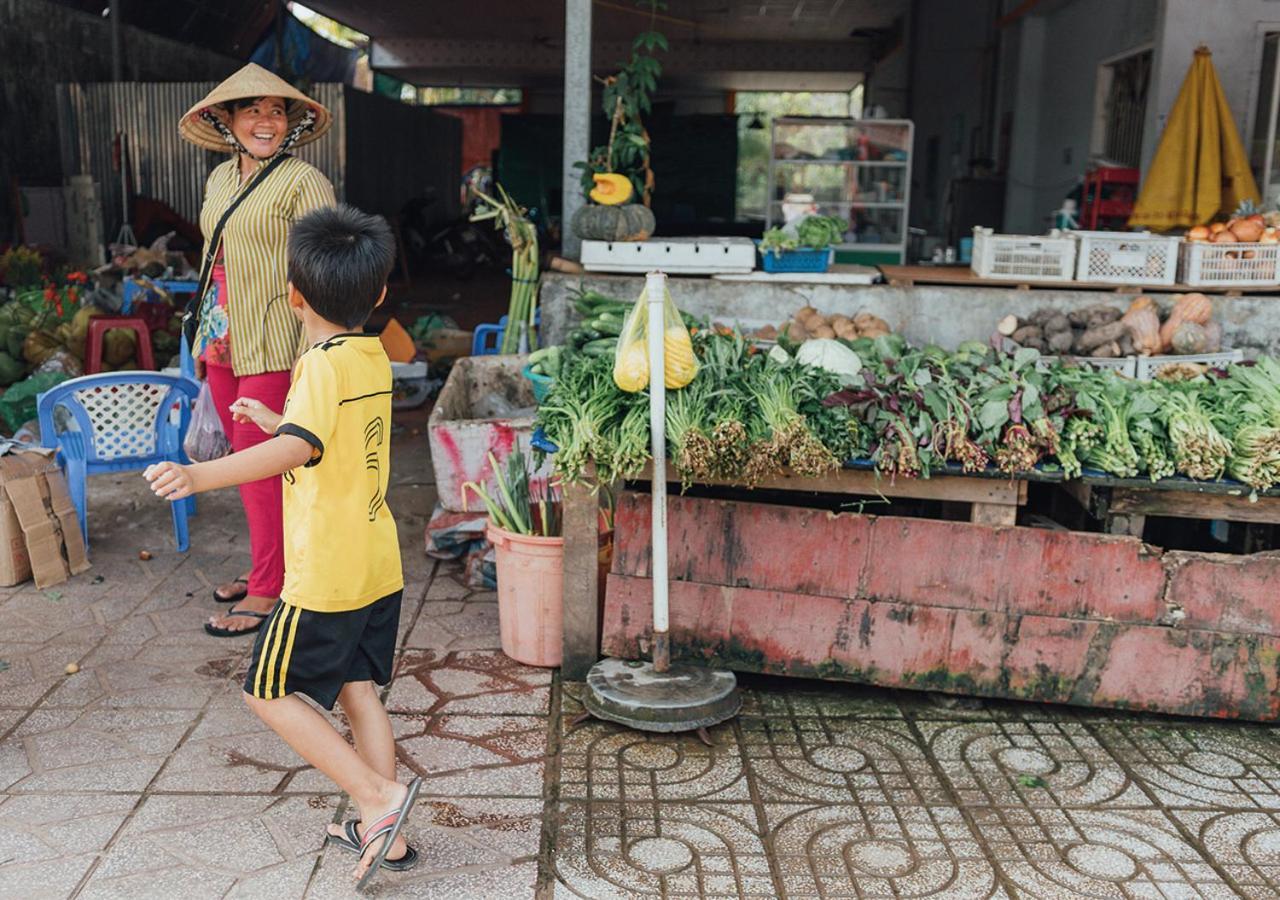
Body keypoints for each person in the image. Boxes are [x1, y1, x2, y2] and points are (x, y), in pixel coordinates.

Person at [144, 205, 420, 888]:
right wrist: (278, 418)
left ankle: (379, 798)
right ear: (379, 294)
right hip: (377, 561)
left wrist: (197, 475)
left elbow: (298, 449)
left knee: (264, 693)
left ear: (292, 296)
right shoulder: (371, 355)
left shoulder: (319, 364)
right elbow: (329, 441)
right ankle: (386, 836)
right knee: (359, 693)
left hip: (325, 573)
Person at [178, 63, 337, 637]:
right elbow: (212, 259)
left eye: (277, 111)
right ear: (227, 119)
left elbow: (326, 269)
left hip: (275, 339)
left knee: (259, 464)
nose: (265, 121)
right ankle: (270, 565)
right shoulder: (220, 179)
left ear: (290, 124)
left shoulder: (303, 182)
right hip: (222, 336)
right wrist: (201, 339)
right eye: (252, 109)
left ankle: (270, 588)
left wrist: (314, 347)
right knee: (242, 466)